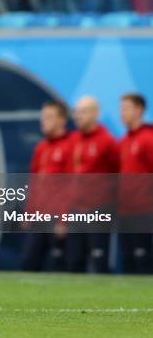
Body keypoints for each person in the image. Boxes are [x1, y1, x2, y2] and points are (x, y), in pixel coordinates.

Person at [65, 96, 119, 273]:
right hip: (75, 209)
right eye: (76, 111)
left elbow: (118, 173)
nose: (78, 116)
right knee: (73, 260)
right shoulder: (72, 140)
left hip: (99, 208)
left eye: (83, 111)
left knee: (98, 259)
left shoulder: (107, 141)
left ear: (96, 113)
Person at [20, 101, 72, 272]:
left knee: (59, 267)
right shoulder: (41, 148)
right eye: (43, 117)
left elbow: (71, 187)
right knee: (28, 262)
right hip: (39, 218)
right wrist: (28, 213)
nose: (44, 121)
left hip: (58, 218)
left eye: (49, 117)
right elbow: (35, 183)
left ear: (62, 120)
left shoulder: (70, 146)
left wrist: (64, 219)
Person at [118, 93, 153, 273]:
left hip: (144, 211)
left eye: (126, 109)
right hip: (125, 211)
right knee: (127, 261)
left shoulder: (148, 138)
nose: (121, 113)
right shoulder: (123, 142)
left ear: (139, 110)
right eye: (120, 109)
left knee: (143, 261)